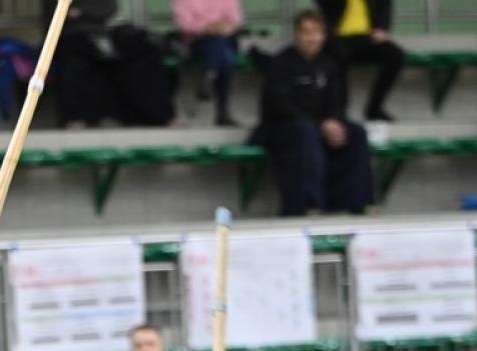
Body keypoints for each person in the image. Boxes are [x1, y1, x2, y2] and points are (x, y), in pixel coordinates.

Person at [256, 9, 374, 217]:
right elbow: (280, 105)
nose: (312, 38)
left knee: (356, 133)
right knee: (305, 132)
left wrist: (335, 122)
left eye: (317, 32)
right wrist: (320, 125)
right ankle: (309, 205)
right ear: (297, 35)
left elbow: (338, 101)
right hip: (284, 129)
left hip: (320, 126)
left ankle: (358, 203)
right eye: (307, 32)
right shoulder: (281, 64)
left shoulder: (329, 65)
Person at [45, 0, 176, 129]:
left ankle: (158, 116)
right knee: (73, 58)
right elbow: (57, 14)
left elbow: (108, 8)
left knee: (145, 52)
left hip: (107, 31)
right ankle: (75, 118)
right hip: (73, 33)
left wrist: (83, 12)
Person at [315, 0, 404, 122]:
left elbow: (384, 3)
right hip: (337, 37)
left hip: (366, 37)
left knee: (396, 56)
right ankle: (339, 112)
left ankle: (374, 108)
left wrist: (382, 28)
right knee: (339, 55)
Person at [172, 0, 245, 126]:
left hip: (226, 38)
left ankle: (210, 74)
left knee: (220, 45)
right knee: (224, 56)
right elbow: (185, 24)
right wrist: (208, 28)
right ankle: (222, 113)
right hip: (197, 41)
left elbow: (236, 19)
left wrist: (222, 28)